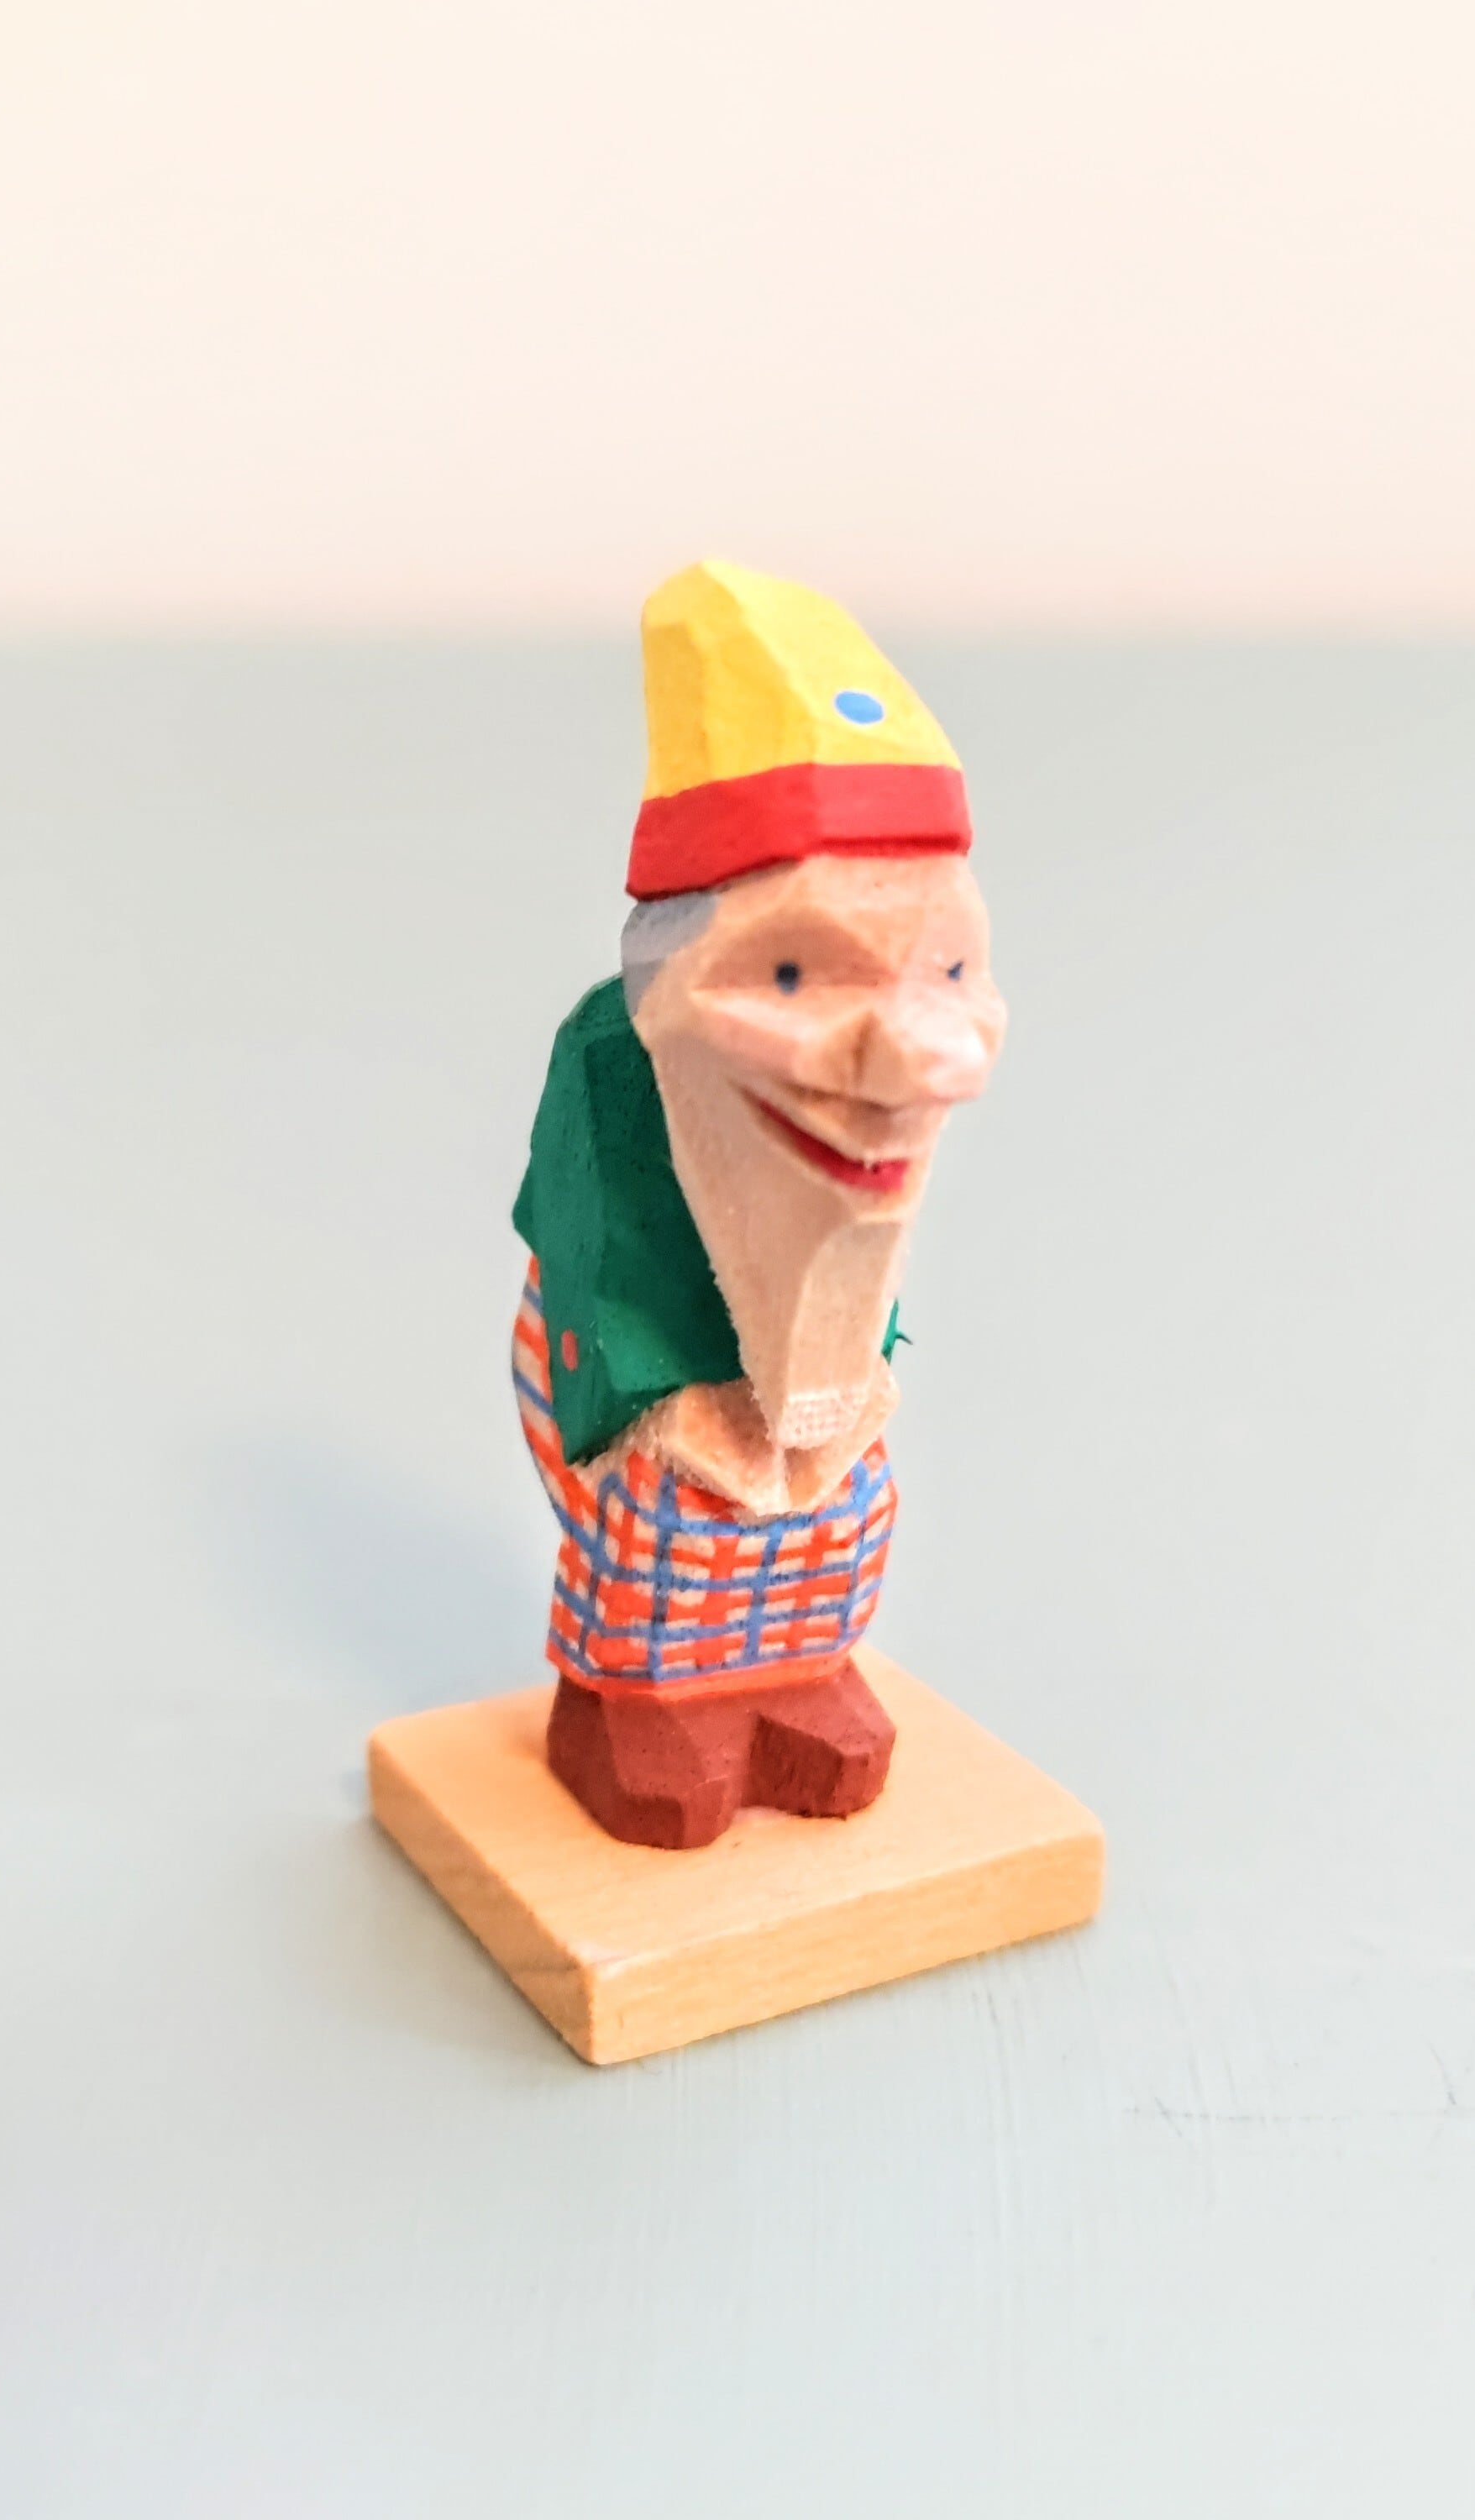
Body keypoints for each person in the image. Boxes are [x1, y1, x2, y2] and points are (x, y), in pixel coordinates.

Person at [512, 560, 1007, 1847]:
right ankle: (636, 1705)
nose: (922, 1054)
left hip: (804, 1382)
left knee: (842, 1505)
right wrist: (655, 1393)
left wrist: (845, 1363)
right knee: (665, 1517)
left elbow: (853, 1247)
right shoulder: (616, 1059)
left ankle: (801, 1671)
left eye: (950, 969)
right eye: (794, 973)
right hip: (646, 1375)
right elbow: (592, 1248)